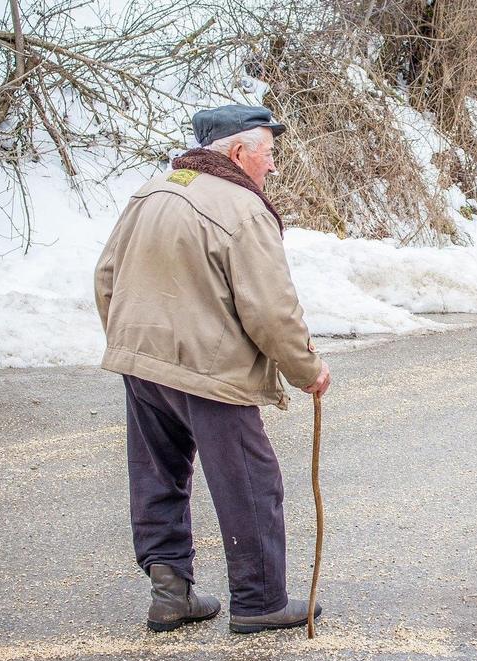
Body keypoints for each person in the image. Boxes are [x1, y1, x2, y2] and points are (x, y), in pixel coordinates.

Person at [94, 104, 331, 634]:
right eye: (268, 154)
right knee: (251, 481)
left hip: (142, 359)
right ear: (240, 151)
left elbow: (106, 275)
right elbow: (271, 310)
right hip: (208, 369)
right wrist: (306, 369)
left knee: (158, 475)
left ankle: (170, 593)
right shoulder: (243, 209)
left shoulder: (151, 192)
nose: (272, 167)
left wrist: (129, 340)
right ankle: (261, 601)